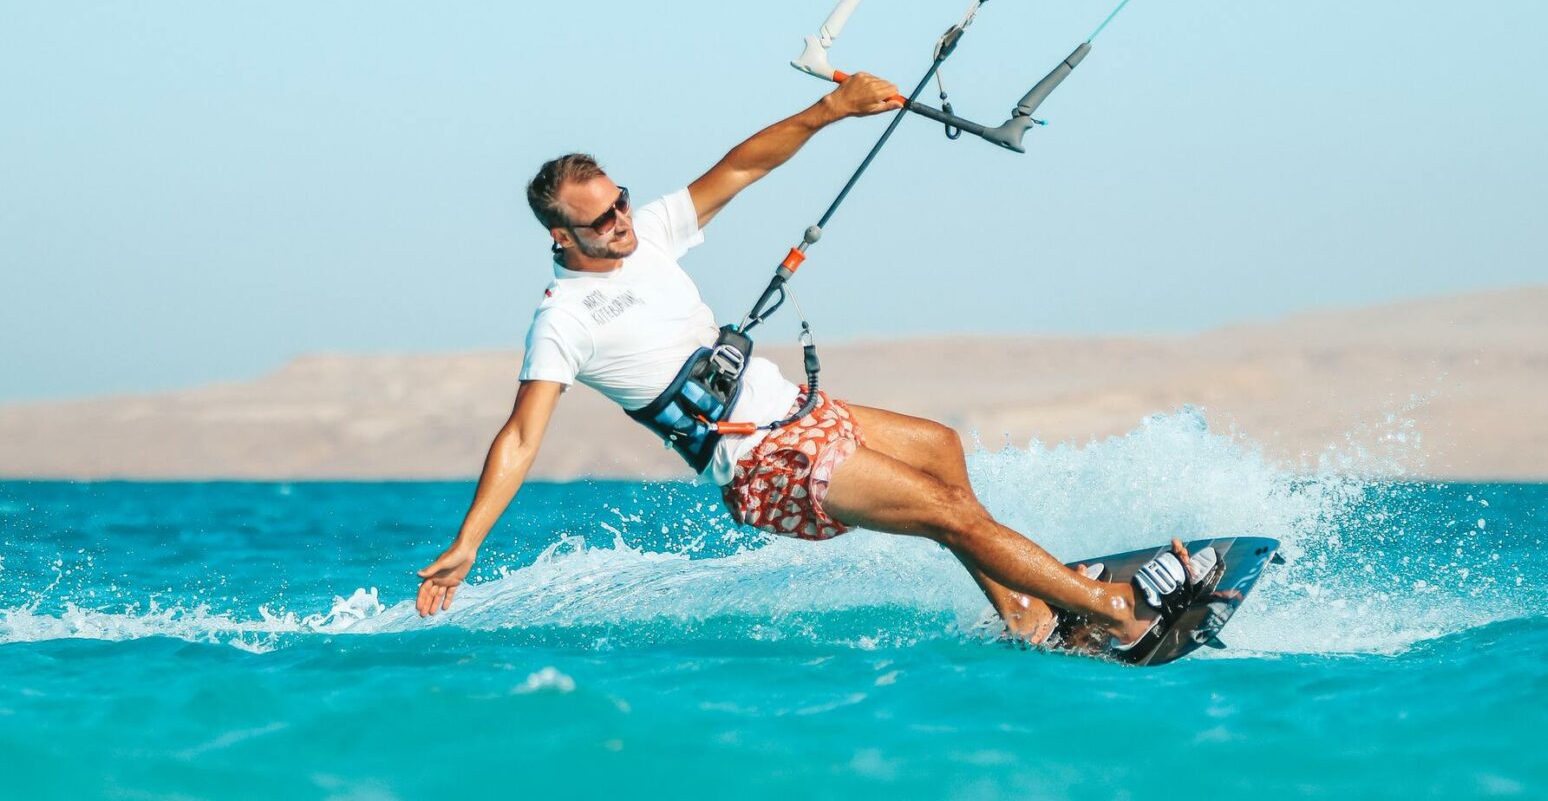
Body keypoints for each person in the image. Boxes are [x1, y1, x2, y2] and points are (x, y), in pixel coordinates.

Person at [415, 73, 1214, 654]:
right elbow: (521, 437)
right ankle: (1115, 613)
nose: (623, 223)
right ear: (562, 235)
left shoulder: (649, 233)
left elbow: (742, 166)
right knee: (950, 513)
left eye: (623, 203)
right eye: (602, 220)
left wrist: (831, 110)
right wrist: (470, 541)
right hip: (763, 462)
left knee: (940, 447)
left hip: (796, 412)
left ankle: (1028, 616)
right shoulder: (562, 319)